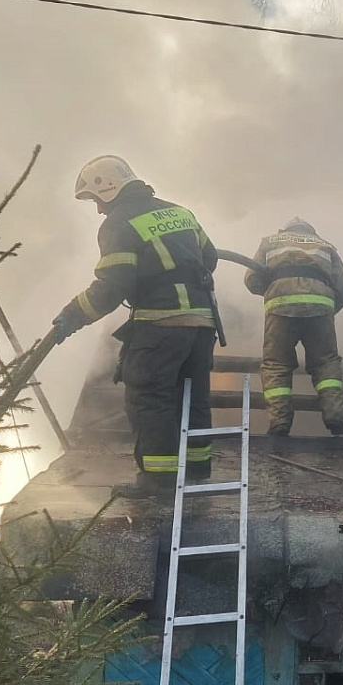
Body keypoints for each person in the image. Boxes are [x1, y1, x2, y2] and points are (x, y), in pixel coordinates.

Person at [49, 155, 219, 496]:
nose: (98, 210)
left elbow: (112, 287)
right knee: (192, 397)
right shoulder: (179, 212)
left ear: (108, 188)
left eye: (96, 200)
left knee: (149, 398)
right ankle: (197, 469)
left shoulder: (119, 224)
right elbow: (210, 258)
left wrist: (71, 316)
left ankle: (158, 480)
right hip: (201, 324)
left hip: (160, 325)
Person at [244, 216, 343, 437]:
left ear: (285, 229)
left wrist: (274, 289)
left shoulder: (270, 241)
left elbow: (252, 279)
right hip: (320, 309)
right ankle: (335, 418)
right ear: (311, 231)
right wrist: (328, 309)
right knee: (326, 363)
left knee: (276, 364)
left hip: (280, 307)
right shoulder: (326, 245)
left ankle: (280, 423)